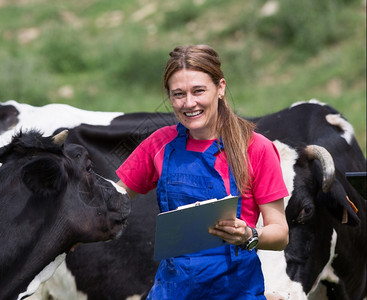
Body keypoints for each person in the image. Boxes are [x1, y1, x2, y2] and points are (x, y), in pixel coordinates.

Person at [116, 44, 289, 299]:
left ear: (220, 88)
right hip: (172, 291)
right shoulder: (159, 144)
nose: (189, 103)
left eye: (199, 91)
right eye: (178, 94)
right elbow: (115, 195)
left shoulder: (257, 149)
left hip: (237, 291)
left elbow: (280, 234)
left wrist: (249, 234)